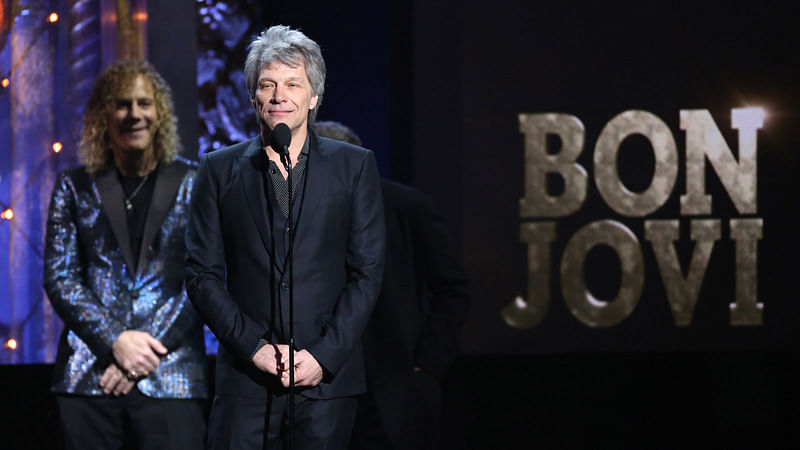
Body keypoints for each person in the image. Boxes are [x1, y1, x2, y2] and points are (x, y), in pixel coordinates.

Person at [185, 25, 385, 449]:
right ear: (253, 96)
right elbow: (201, 274)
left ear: (313, 97)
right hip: (245, 382)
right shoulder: (217, 170)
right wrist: (252, 348)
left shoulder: (354, 167)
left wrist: (324, 356)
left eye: (293, 84)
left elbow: (367, 272)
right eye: (268, 84)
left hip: (325, 383)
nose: (280, 96)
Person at [43, 60, 208, 450]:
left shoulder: (195, 180)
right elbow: (60, 276)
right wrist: (115, 341)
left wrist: (144, 349)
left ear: (159, 113)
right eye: (122, 104)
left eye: (144, 104)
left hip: (171, 376)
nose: (134, 114)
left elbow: (206, 275)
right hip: (89, 376)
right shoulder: (74, 185)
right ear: (103, 116)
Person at [313, 121, 470, 450]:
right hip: (319, 392)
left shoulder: (405, 206)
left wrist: (427, 364)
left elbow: (452, 288)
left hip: (394, 389)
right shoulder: (292, 215)